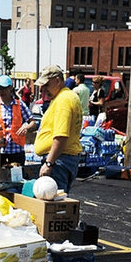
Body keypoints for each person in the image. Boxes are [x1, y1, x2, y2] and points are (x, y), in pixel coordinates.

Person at [32, 64, 83, 193]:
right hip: (63, 159)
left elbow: (61, 136)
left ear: (57, 80)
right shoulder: (67, 97)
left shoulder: (63, 101)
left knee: (54, 205)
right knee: (59, 204)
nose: (43, 89)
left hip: (59, 161)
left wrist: (49, 163)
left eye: (46, 85)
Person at [0, 74, 33, 165]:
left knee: (17, 177)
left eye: (4, 88)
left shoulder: (20, 105)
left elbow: (32, 122)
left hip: (16, 150)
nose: (1, 91)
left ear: (10, 88)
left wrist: (26, 128)